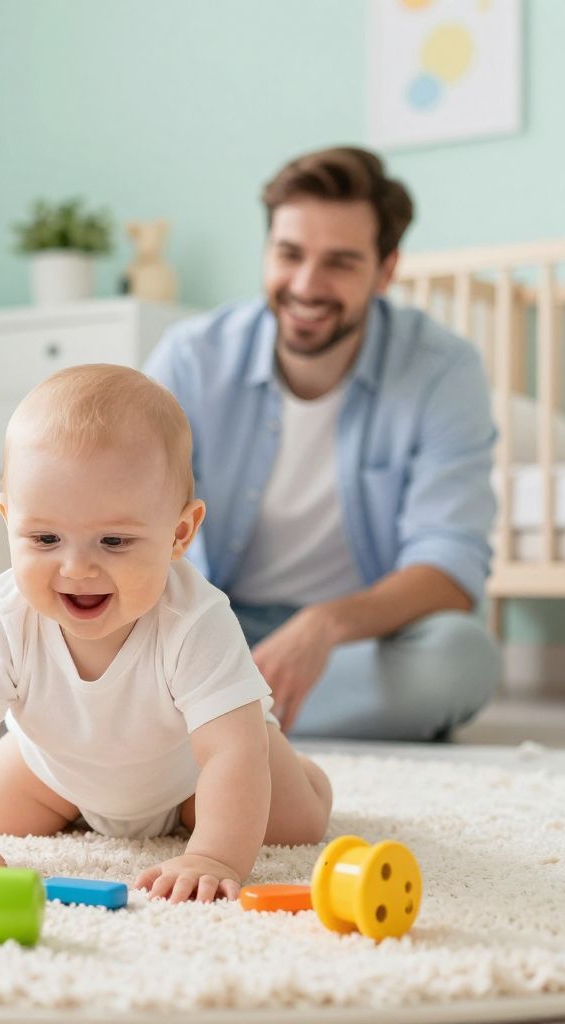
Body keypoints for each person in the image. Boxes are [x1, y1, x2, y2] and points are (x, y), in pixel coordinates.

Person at [0, 365, 332, 904]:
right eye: (44, 538)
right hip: (56, 773)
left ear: (179, 534)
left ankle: (304, 772)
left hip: (190, 779)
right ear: (8, 518)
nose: (77, 567)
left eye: (113, 541)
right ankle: (60, 809)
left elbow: (229, 754)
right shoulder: (3, 616)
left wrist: (214, 856)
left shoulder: (195, 621)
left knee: (294, 820)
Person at [145, 146, 501, 741]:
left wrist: (326, 625)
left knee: (458, 659)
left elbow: (450, 567)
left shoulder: (443, 370)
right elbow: (123, 510)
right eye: (289, 255)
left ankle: (189, 719)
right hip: (206, 626)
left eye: (340, 262)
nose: (307, 286)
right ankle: (232, 711)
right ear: (266, 253)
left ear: (385, 271)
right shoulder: (191, 357)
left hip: (355, 640)